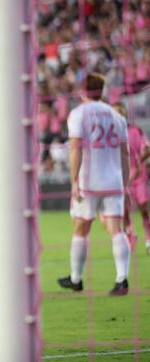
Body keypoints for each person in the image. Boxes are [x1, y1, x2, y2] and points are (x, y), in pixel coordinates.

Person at [57, 72, 131, 296]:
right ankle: (122, 279)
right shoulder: (116, 116)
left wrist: (74, 181)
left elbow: (75, 148)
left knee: (81, 227)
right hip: (114, 181)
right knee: (116, 229)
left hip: (89, 180)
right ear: (103, 90)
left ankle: (77, 279)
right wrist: (125, 185)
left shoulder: (78, 114)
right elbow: (125, 154)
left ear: (83, 91)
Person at [114, 103, 150, 254]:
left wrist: (138, 161)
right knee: (123, 212)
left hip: (138, 178)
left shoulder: (135, 131)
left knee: (143, 209)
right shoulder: (111, 135)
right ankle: (130, 235)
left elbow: (147, 149)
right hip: (121, 179)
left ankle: (148, 238)